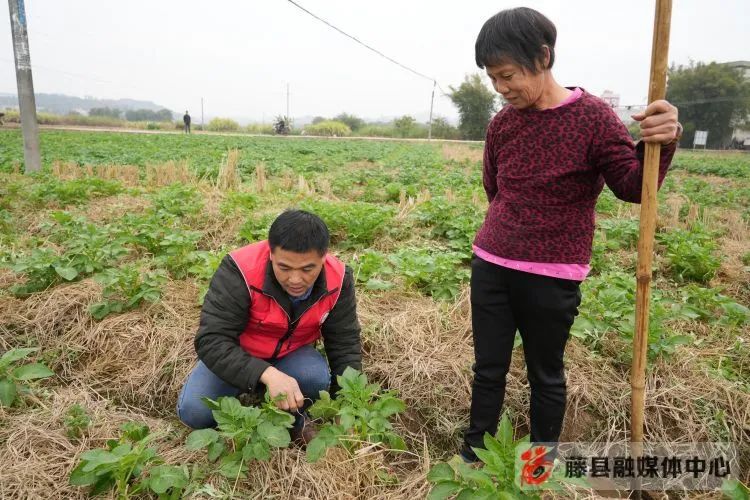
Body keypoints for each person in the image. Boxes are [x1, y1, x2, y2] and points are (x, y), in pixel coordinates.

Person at [461, 7, 682, 462]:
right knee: (488, 369)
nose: (501, 89)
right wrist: (509, 232)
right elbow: (494, 187)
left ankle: (541, 463)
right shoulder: (502, 123)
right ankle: (473, 456)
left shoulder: (594, 119)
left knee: (545, 373)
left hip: (552, 273)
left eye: (508, 75)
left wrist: (663, 140)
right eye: (493, 79)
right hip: (492, 264)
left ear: (543, 57)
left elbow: (631, 187)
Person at [177, 210, 362, 443]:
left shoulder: (339, 278)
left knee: (315, 379)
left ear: (323, 258)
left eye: (307, 269)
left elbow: (344, 341)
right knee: (195, 412)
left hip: (291, 354)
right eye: (284, 268)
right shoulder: (240, 271)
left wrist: (346, 404)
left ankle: (283, 410)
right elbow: (211, 340)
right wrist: (267, 374)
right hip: (239, 353)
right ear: (271, 253)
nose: (295, 280)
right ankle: (264, 388)